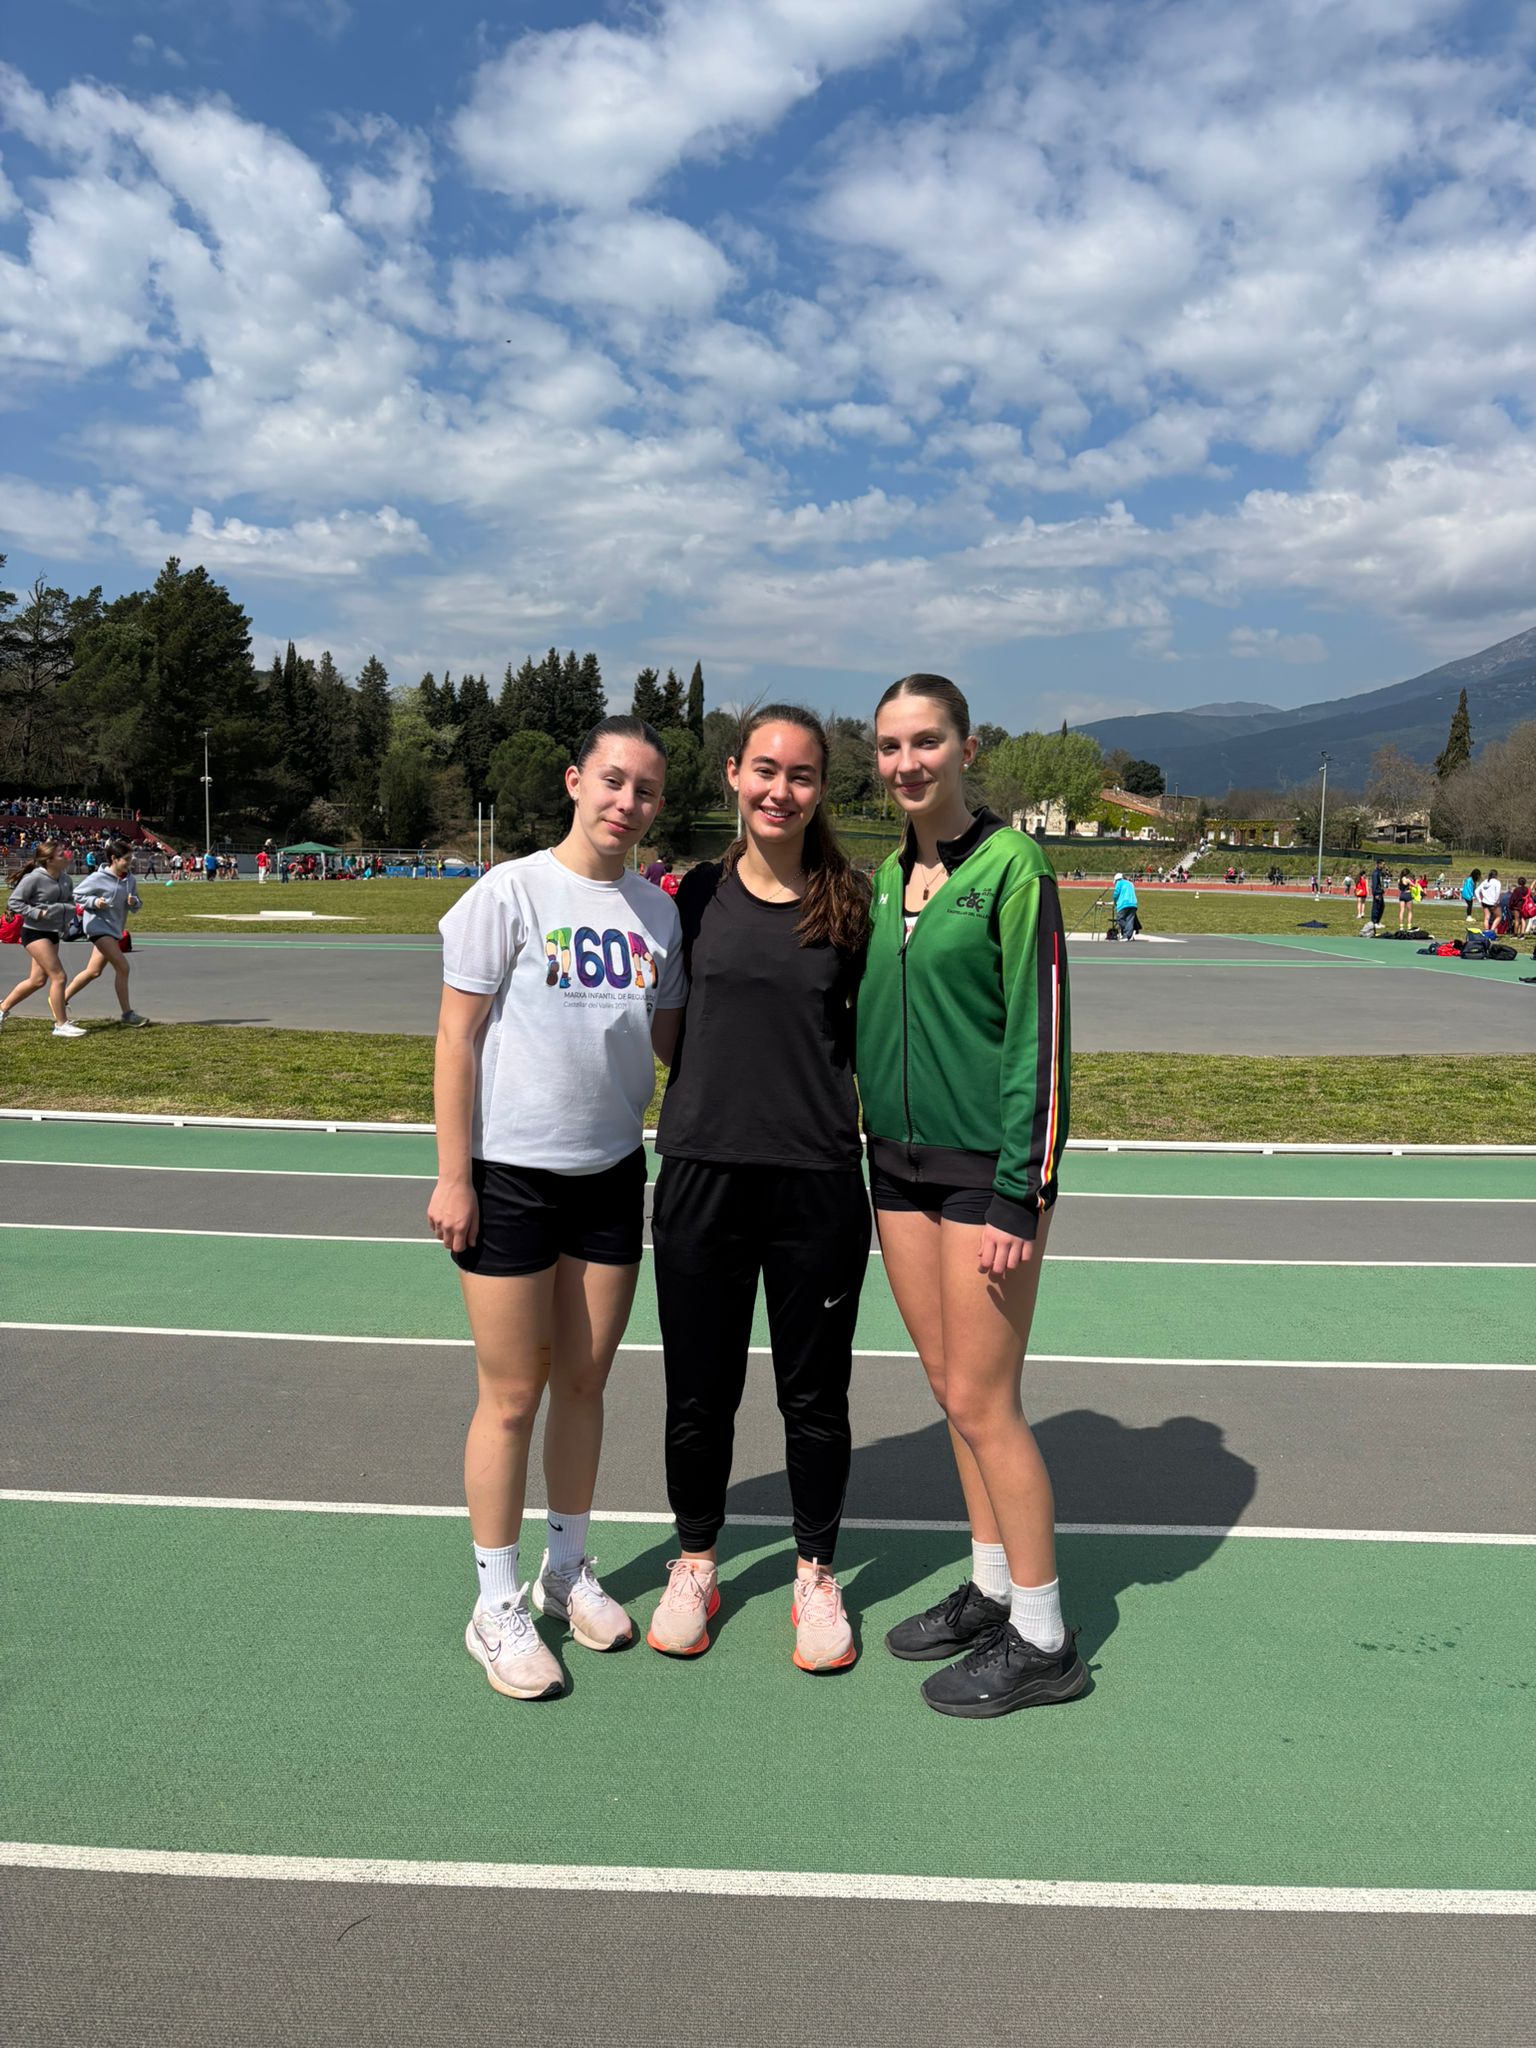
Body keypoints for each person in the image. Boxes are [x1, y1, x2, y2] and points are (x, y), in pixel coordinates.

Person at [428, 716, 686, 1703]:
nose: (628, 802)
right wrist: (455, 1174)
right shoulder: (510, 892)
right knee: (511, 1393)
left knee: (584, 1381)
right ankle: (495, 1603)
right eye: (613, 780)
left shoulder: (658, 915)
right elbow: (455, 1040)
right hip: (511, 1177)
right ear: (576, 781)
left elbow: (675, 1045)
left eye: (646, 789)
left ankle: (566, 1569)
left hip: (611, 1173)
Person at [857, 673, 1085, 1721]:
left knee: (988, 1402)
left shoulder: (1012, 867)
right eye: (890, 745)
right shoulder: (885, 877)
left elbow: (1042, 1036)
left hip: (983, 1174)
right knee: (951, 1389)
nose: (907, 762)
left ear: (966, 747)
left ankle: (1044, 1638)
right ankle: (993, 1589)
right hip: (895, 1169)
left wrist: (1020, 1192)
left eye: (927, 742)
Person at [645, 706, 871, 1673]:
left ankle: (815, 1573)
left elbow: (870, 1037)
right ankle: (697, 1561)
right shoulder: (692, 896)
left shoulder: (851, 903)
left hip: (816, 1181)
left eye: (802, 774)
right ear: (733, 773)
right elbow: (667, 1031)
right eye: (766, 770)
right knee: (699, 1391)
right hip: (702, 1171)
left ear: (821, 788)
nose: (782, 790)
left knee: (813, 1396)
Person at [1, 841, 86, 1037]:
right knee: (59, 976)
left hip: (52, 932)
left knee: (37, 980)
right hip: (34, 933)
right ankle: (61, 1024)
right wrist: (37, 913)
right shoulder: (34, 878)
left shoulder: (65, 879)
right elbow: (14, 902)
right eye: (61, 854)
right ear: (49, 860)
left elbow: (68, 903)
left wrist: (65, 924)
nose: (66, 856)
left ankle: (2, 1009)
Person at [64, 840, 146, 1026]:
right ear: (114, 859)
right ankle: (127, 1014)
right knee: (123, 967)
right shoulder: (97, 878)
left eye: (130, 859)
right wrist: (94, 902)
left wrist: (134, 902)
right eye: (126, 859)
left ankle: (60, 999)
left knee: (93, 972)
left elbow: (136, 904)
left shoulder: (130, 880)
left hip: (114, 929)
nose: (129, 863)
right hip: (98, 928)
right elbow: (76, 895)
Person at [1112, 869, 1138, 940]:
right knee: (1130, 920)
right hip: (1133, 903)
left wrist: (1115, 901)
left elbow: (1116, 893)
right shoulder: (1130, 883)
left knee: (1120, 919)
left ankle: (1127, 932)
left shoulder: (1119, 883)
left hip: (1123, 903)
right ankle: (1128, 935)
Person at [1369, 859, 1387, 928]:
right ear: (1379, 864)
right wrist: (1376, 893)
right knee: (1376, 907)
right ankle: (1374, 922)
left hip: (1380, 892)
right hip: (1377, 892)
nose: (1384, 866)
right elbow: (1375, 884)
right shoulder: (1375, 873)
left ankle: (1378, 921)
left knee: (1381, 907)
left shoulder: (1380, 872)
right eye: (1383, 864)